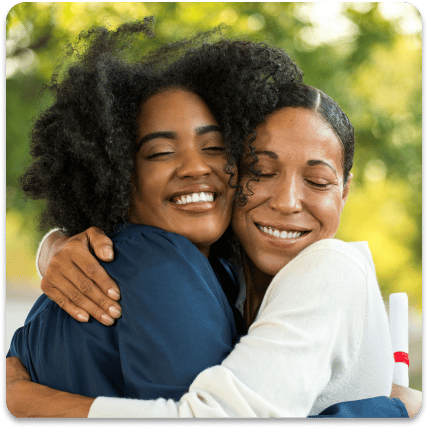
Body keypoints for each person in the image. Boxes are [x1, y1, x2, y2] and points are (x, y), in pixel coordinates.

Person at [6, 20, 417, 419]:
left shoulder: (236, 272)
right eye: (263, 171)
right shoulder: (163, 263)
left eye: (215, 147)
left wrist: (26, 402)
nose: (195, 168)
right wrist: (391, 408)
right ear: (116, 171)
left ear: (345, 190)